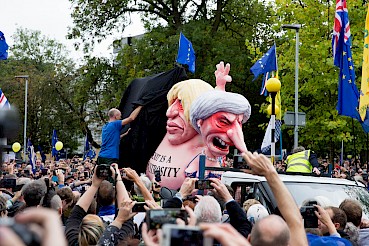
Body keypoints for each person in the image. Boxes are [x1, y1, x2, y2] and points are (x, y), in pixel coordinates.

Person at [145, 79, 213, 189]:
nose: (170, 112)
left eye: (182, 104)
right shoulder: (171, 133)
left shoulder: (207, 151)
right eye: (172, 103)